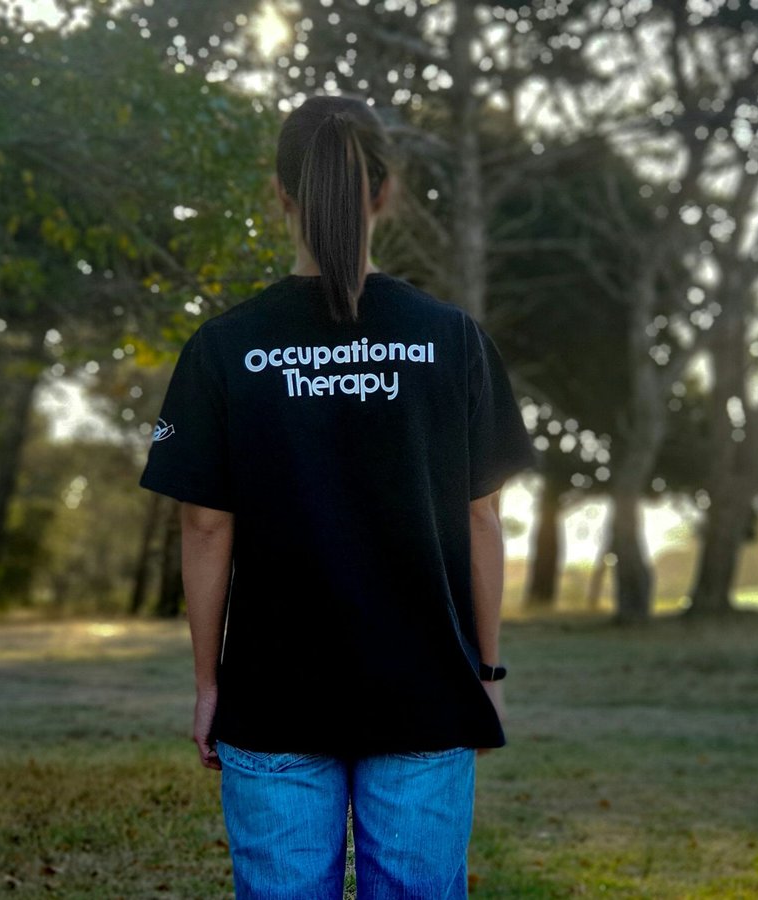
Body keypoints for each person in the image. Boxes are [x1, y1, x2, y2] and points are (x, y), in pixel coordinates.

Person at [137, 93, 539, 900]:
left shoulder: (225, 346)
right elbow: (480, 516)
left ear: (280, 194)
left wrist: (210, 684)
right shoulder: (450, 337)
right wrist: (484, 671)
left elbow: (205, 525)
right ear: (384, 192)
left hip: (272, 696)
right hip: (424, 692)